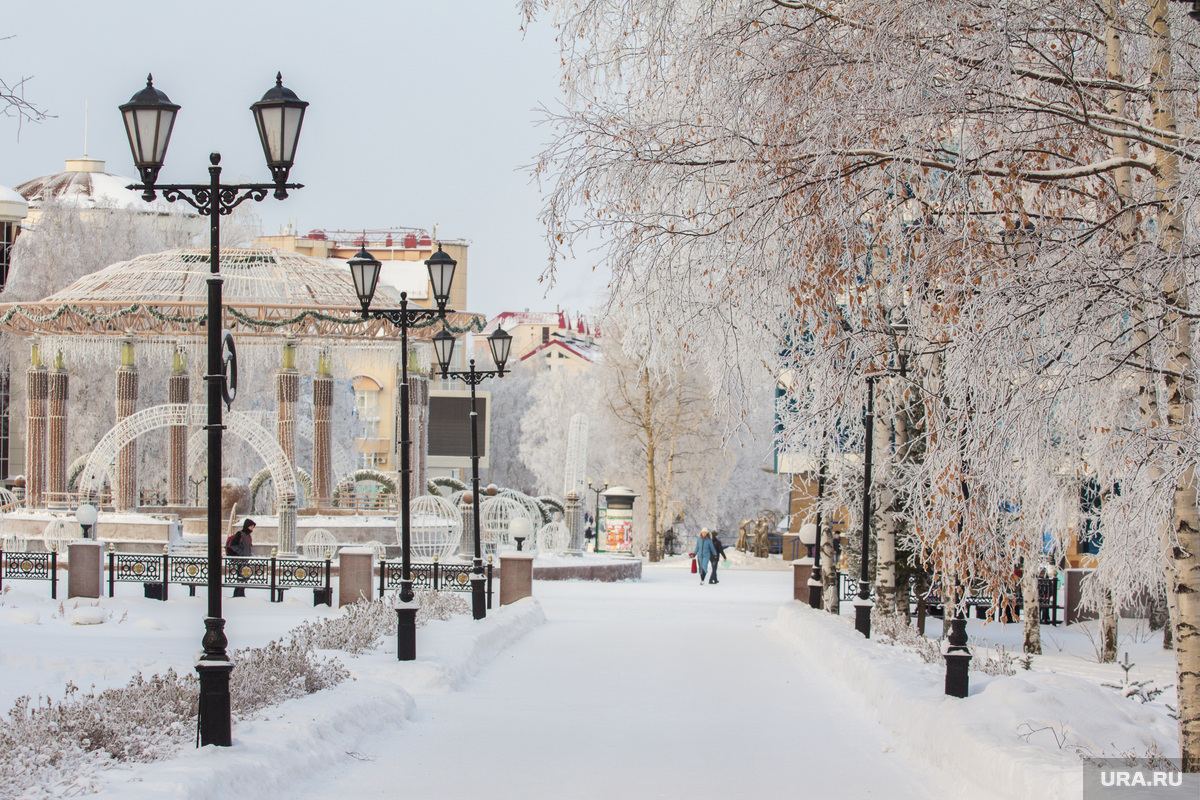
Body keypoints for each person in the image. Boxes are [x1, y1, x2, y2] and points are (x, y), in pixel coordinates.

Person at [226, 518, 255, 597]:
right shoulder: (240, 534)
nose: (252, 528)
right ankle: (238, 594)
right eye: (251, 526)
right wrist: (242, 553)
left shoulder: (248, 536)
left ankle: (240, 593)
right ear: (247, 526)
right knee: (241, 576)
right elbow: (233, 545)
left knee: (245, 576)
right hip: (240, 559)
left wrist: (249, 554)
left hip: (245, 560)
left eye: (253, 527)